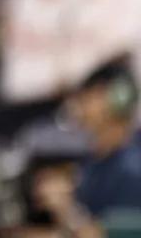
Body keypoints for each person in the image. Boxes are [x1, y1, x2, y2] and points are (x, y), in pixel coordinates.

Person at [30, 57, 141, 237]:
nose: (80, 104)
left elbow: (106, 234)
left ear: (117, 99)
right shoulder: (92, 161)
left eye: (90, 95)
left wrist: (66, 209)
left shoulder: (133, 168)